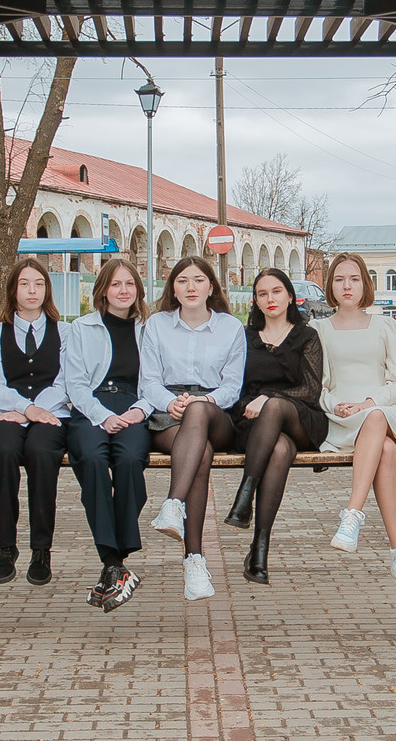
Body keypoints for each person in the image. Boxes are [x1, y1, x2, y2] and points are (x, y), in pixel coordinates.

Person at [141, 256, 247, 602]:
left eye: (198, 280)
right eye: (182, 280)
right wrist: (170, 402)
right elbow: (149, 381)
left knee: (200, 414)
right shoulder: (156, 325)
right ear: (173, 288)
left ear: (211, 287)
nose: (191, 287)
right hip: (168, 410)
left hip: (215, 412)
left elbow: (232, 386)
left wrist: (205, 403)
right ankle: (194, 560)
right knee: (198, 453)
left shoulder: (231, 328)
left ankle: (174, 502)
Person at [319, 250, 396, 590]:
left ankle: (352, 515)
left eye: (353, 279)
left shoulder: (385, 325)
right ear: (330, 285)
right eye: (339, 279)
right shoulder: (318, 328)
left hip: (381, 409)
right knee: (388, 451)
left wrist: (367, 403)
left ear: (364, 283)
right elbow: (318, 386)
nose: (346, 286)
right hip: (341, 420)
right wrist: (338, 406)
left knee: (377, 417)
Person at [221, 268, 327, 584]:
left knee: (277, 406)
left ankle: (245, 494)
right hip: (255, 427)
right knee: (279, 450)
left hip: (300, 419)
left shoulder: (306, 336)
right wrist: (251, 405)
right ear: (255, 300)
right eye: (263, 293)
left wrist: (267, 397)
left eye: (277, 291)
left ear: (290, 296)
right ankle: (259, 550)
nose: (270, 298)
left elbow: (311, 390)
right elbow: (233, 386)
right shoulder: (244, 337)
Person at [62, 258, 156, 610]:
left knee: (131, 458)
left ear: (138, 290)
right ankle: (114, 562)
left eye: (129, 284)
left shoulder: (149, 328)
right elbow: (75, 384)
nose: (123, 291)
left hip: (134, 405)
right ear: (103, 289)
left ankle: (114, 565)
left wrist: (139, 410)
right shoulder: (82, 327)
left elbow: (155, 380)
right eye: (116, 284)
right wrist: (102, 417)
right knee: (93, 459)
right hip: (91, 408)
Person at [0, 256, 70, 588]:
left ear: (47, 289)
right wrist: (23, 408)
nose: (31, 290)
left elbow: (65, 382)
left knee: (41, 453)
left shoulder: (64, 330)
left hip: (51, 413)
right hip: (8, 412)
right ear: (13, 290)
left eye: (38, 284)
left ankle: (41, 549)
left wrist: (34, 410)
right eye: (24, 284)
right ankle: (4, 547)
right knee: (3, 452)